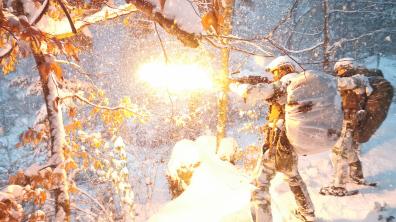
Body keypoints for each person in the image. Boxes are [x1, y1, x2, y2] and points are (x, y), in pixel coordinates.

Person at [247, 56, 316, 222]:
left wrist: (242, 87)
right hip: (288, 144)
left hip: (279, 144)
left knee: (260, 183)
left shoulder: (289, 82)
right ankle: (308, 214)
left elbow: (264, 92)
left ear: (285, 68)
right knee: (293, 178)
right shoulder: (299, 86)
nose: (274, 75)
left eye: (276, 71)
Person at [320, 58, 374, 196]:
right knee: (349, 151)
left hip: (348, 122)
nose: (338, 73)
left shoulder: (356, 80)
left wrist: (323, 79)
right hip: (349, 122)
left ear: (347, 67)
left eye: (340, 70)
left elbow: (340, 83)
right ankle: (357, 176)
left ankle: (339, 186)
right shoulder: (355, 81)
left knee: (339, 154)